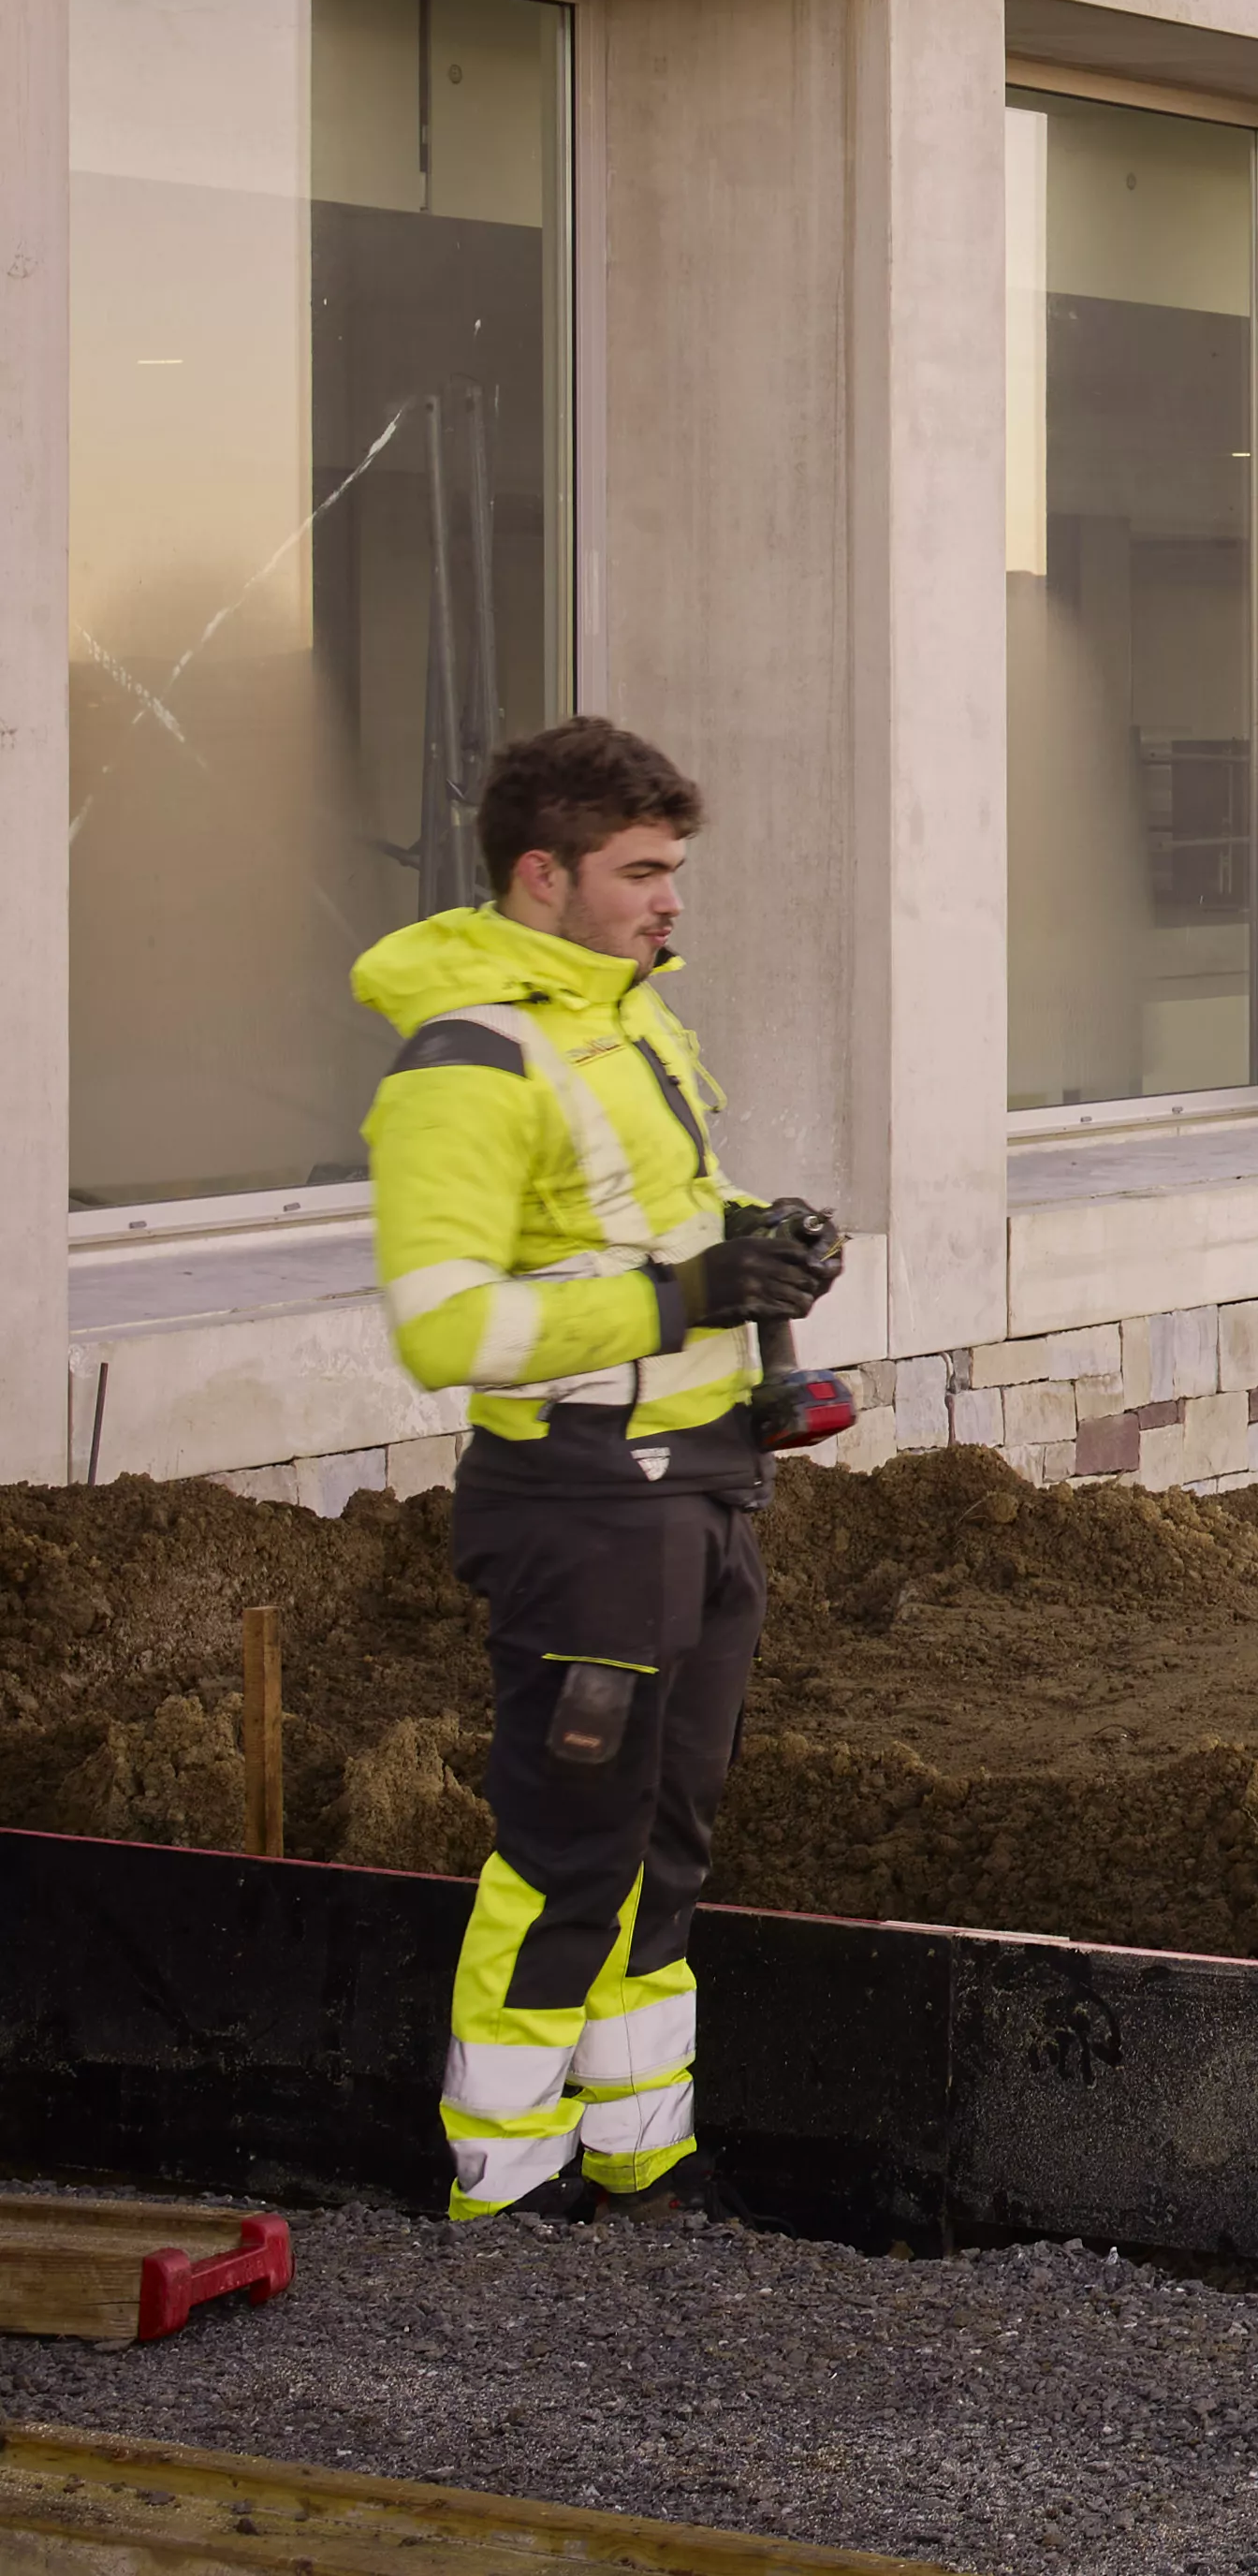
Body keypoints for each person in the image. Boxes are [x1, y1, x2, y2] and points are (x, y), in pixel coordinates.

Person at [357, 717, 841, 2224]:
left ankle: (642, 2158)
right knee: (570, 1850)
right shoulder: (466, 1064)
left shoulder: (633, 1023)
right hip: (581, 1501)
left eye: (674, 869)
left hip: (697, 1485)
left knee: (668, 1844)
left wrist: (758, 1239)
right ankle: (504, 2182)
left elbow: (647, 1216)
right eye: (641, 871)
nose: (670, 900)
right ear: (540, 874)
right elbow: (445, 1327)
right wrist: (683, 1302)